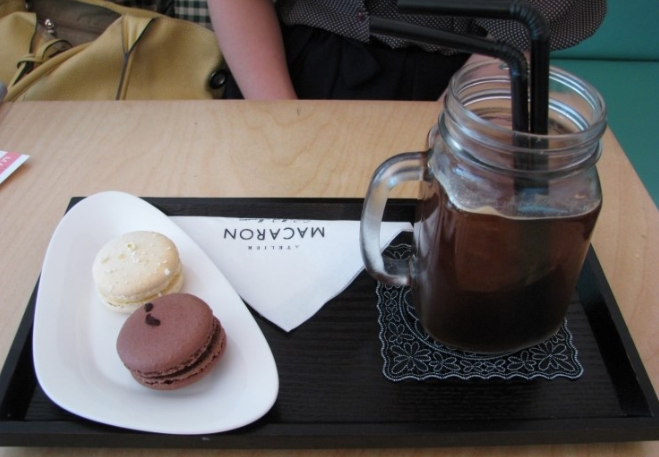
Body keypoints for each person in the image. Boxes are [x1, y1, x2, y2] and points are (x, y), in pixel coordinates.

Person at [207, 0, 607, 101]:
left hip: (472, 68)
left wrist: (469, 105)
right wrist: (278, 117)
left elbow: (529, 18)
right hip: (280, 67)